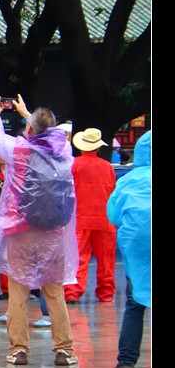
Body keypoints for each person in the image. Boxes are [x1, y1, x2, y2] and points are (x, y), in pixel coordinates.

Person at [0, 94, 79, 366]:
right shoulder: (63, 154)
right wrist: (29, 116)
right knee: (54, 293)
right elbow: (49, 134)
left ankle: (19, 349)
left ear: (29, 130)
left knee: (18, 291)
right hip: (52, 234)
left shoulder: (19, 151)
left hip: (20, 231)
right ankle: (64, 349)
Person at [107, 130, 150, 368]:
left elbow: (113, 215)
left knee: (135, 303)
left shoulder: (127, 181)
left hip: (136, 246)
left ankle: (126, 359)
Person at [63, 128, 117, 303]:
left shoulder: (73, 165)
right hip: (105, 220)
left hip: (80, 219)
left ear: (80, 147)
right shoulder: (107, 167)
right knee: (106, 260)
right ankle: (106, 293)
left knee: (78, 258)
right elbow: (113, 193)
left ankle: (72, 292)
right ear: (98, 147)